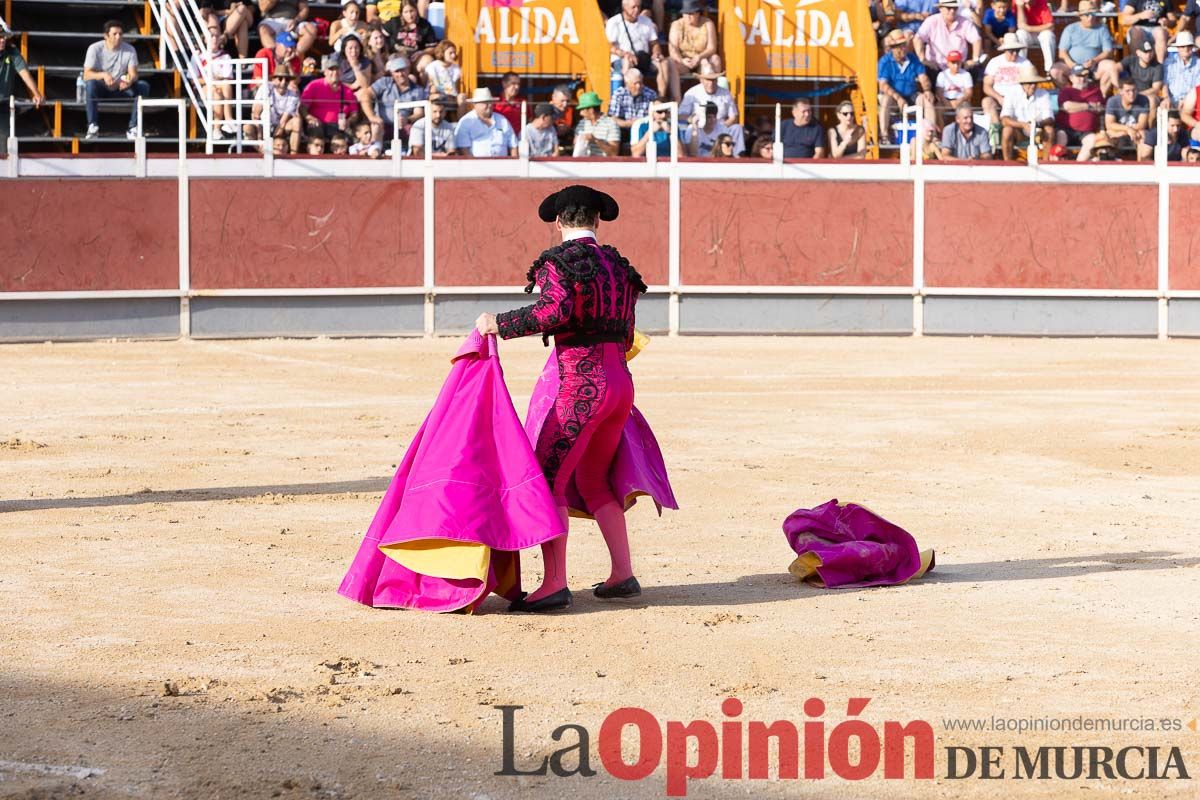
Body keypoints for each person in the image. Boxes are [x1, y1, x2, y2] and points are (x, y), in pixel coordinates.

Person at [474, 185, 649, 612]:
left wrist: (499, 322)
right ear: (596, 221)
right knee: (593, 480)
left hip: (580, 388)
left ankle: (554, 583)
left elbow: (553, 312)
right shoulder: (619, 267)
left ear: (558, 222)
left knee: (549, 478)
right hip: (620, 386)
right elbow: (627, 333)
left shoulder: (559, 263)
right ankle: (622, 574)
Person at [83, 20, 150, 140]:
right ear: (106, 36)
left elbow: (133, 74)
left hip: (121, 88)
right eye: (114, 34)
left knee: (143, 86)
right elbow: (86, 75)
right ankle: (92, 126)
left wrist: (128, 80)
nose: (118, 37)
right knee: (90, 84)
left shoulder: (130, 50)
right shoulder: (94, 48)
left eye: (120, 34)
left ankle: (133, 127)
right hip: (101, 88)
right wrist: (103, 75)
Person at [878, 29, 936, 141]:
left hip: (911, 95)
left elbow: (923, 77)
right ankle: (884, 135)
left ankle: (932, 135)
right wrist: (898, 98)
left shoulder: (913, 58)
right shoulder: (885, 61)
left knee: (926, 99)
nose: (903, 48)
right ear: (892, 48)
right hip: (894, 98)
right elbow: (883, 85)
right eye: (899, 46)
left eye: (904, 45)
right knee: (885, 100)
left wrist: (927, 90)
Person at [358, 55, 425, 150]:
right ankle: (375, 151)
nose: (400, 74)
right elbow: (365, 95)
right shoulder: (384, 82)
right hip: (382, 125)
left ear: (408, 70)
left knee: (416, 129)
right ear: (392, 73)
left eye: (403, 70)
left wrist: (407, 119)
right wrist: (372, 117)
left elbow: (419, 113)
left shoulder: (417, 90)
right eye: (397, 71)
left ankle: (412, 156)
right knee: (376, 126)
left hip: (404, 126)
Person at [1000, 61, 1059, 160]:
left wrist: (1037, 124)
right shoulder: (1011, 93)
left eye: (1035, 83)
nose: (1033, 86)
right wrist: (1023, 125)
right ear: (1022, 84)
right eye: (1030, 83)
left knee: (1049, 130)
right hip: (1019, 131)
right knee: (1007, 131)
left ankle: (1045, 163)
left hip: (1039, 131)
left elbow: (1050, 118)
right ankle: (1007, 164)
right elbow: (1004, 119)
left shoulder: (1044, 94)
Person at [1058, 1, 1117, 95]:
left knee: (1112, 66)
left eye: (1093, 14)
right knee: (1055, 71)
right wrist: (1073, 65)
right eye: (1087, 15)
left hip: (1095, 67)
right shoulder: (1070, 29)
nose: (1090, 17)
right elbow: (1062, 53)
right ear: (1080, 16)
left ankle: (1100, 98)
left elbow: (1108, 51)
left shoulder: (1102, 29)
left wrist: (1094, 60)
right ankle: (1070, 95)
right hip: (1072, 67)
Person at [666, 0, 721, 102]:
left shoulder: (708, 24)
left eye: (691, 13)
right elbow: (672, 50)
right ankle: (677, 100)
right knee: (670, 61)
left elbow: (712, 48)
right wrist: (682, 60)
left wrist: (699, 57)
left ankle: (712, 99)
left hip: (703, 60)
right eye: (685, 13)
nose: (687, 16)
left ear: (698, 13)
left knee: (715, 59)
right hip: (684, 61)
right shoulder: (676, 25)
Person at [0, 20, 44, 136]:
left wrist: (36, 93)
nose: (3, 40)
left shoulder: (12, 52)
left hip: (3, 105)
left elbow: (24, 74)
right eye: (0, 37)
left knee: (4, 145)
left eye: (4, 37)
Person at [300, 54, 359, 140]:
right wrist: (309, 118)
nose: (335, 73)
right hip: (318, 125)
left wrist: (348, 121)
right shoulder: (314, 85)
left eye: (337, 69)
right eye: (331, 69)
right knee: (316, 131)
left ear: (341, 72)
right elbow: (302, 108)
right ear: (325, 72)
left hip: (339, 126)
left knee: (354, 136)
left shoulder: (347, 91)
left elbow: (355, 113)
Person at [915, 0, 982, 72]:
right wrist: (923, 59)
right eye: (949, 8)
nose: (952, 11)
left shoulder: (965, 22)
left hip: (959, 66)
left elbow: (976, 39)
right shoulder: (931, 21)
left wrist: (975, 59)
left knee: (974, 69)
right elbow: (918, 38)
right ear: (940, 8)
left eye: (955, 8)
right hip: (935, 67)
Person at [248, 64, 301, 152]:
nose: (283, 82)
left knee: (297, 121)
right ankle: (262, 154)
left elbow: (283, 122)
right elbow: (255, 114)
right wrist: (261, 139)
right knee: (247, 128)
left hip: (280, 128)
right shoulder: (265, 88)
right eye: (280, 79)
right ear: (273, 79)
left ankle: (293, 155)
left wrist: (271, 139)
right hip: (262, 125)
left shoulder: (293, 94)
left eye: (287, 79)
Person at [454, 87, 517, 157]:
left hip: (502, 164)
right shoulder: (466, 122)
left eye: (490, 102)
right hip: (476, 165)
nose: (489, 105)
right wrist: (472, 165)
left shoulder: (503, 120)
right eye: (485, 103)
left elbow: (513, 145)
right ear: (475, 105)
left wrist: (513, 163)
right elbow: (463, 149)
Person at [1102, 77, 1150, 158]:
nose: (1132, 94)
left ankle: (1141, 165)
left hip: (1133, 133)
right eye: (1128, 91)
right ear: (1120, 91)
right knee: (1105, 135)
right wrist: (1128, 130)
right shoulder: (1112, 101)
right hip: (1122, 133)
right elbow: (1109, 124)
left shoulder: (1143, 100)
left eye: (1134, 90)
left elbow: (1142, 125)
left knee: (1143, 135)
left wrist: (1124, 131)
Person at [1121, 39, 1164, 122]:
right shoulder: (1131, 60)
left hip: (1147, 94)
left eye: (1150, 52)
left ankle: (1150, 129)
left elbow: (1156, 88)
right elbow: (1115, 68)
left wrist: (1138, 94)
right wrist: (1119, 85)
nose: (1148, 55)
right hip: (1130, 92)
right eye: (1145, 52)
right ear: (1138, 52)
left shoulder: (1157, 66)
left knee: (1152, 100)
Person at [1012, 0, 1056, 78]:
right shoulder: (1017, 2)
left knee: (1048, 35)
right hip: (1028, 34)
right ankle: (1021, 70)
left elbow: (1050, 25)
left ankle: (1049, 71)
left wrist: (1029, 28)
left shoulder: (1041, 1)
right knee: (1020, 33)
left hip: (1040, 33)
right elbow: (1021, 25)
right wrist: (1020, 7)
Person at [609, 68, 658, 134]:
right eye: (635, 83)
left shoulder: (651, 94)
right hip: (624, 130)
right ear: (627, 83)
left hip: (645, 129)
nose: (638, 86)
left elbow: (656, 116)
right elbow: (613, 119)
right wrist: (629, 123)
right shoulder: (618, 94)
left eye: (640, 83)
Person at [1120, 0, 1169, 66]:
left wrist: (1167, 21)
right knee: (1135, 32)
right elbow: (1124, 19)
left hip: (1158, 29)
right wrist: (1140, 16)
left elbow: (1173, 19)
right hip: (1139, 28)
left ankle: (1160, 67)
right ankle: (1137, 67)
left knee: (1160, 33)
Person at [572, 91, 620, 156]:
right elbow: (575, 146)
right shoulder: (582, 124)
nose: (580, 113)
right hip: (584, 164)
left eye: (582, 109)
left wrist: (595, 140)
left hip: (604, 164)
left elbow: (614, 153)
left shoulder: (611, 124)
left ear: (591, 110)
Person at [1164, 32, 1200, 108]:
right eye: (1183, 46)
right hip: (1172, 102)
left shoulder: (1198, 64)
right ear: (1178, 48)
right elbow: (1165, 84)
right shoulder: (1169, 63)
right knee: (1165, 108)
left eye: (1188, 46)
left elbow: (1198, 87)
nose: (1186, 49)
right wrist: (1166, 98)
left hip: (1192, 103)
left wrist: (1187, 100)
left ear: (1192, 47)